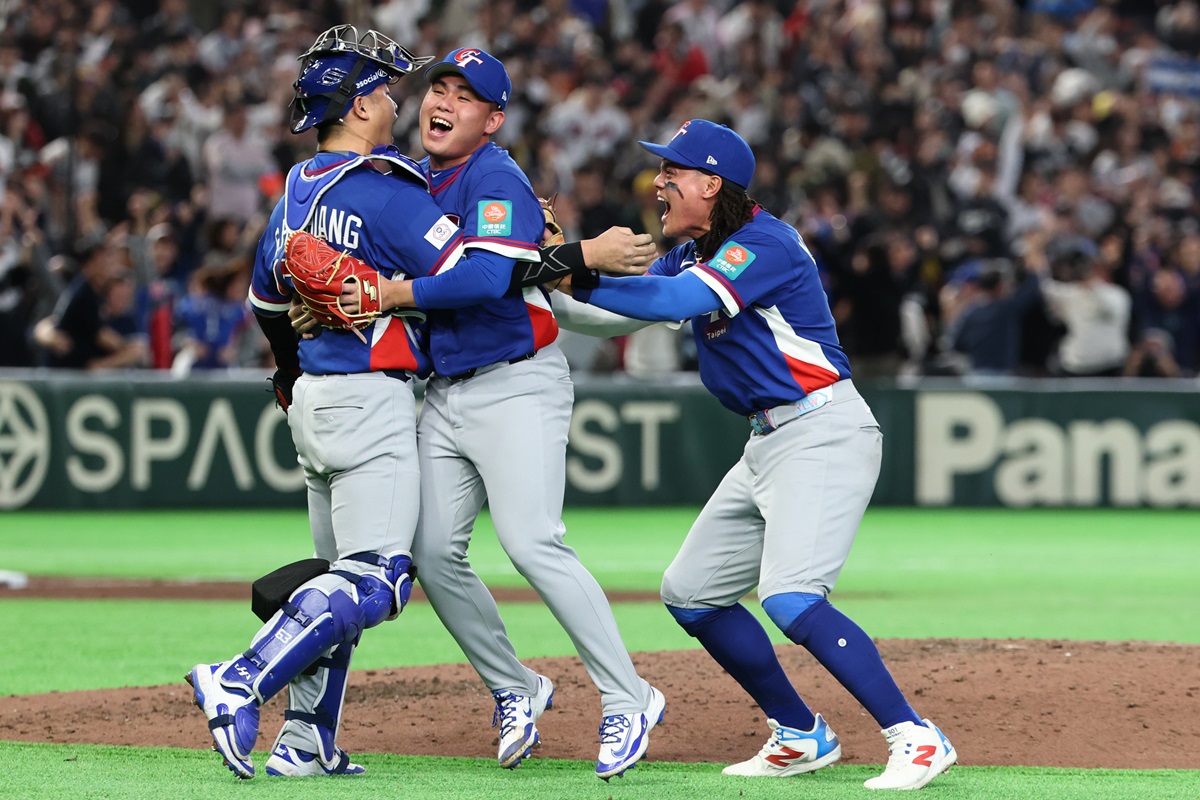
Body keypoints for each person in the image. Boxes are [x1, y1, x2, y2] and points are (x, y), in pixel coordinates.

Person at [563, 119, 957, 790]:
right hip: (768, 439)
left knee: (791, 597)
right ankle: (800, 733)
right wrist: (542, 281)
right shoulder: (692, 254)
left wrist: (574, 262)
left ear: (711, 185)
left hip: (822, 430)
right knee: (692, 594)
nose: (659, 182)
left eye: (673, 172)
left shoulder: (763, 242)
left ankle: (915, 736)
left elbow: (675, 302)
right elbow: (617, 314)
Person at [334, 46, 665, 780]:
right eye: (437, 89)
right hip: (447, 392)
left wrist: (393, 295)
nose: (441, 102)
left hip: (518, 385)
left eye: (464, 94)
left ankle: (629, 696)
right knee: (429, 552)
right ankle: (516, 686)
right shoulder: (420, 179)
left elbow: (486, 277)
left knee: (532, 541)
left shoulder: (494, 176)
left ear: (493, 118)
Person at [185, 25, 442, 780]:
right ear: (360, 105)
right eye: (385, 91)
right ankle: (239, 681)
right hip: (370, 397)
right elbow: (472, 274)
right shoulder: (384, 193)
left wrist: (292, 376)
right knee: (379, 578)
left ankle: (305, 740)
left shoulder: (293, 192)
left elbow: (265, 305)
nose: (395, 102)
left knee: (331, 581)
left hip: (315, 401)